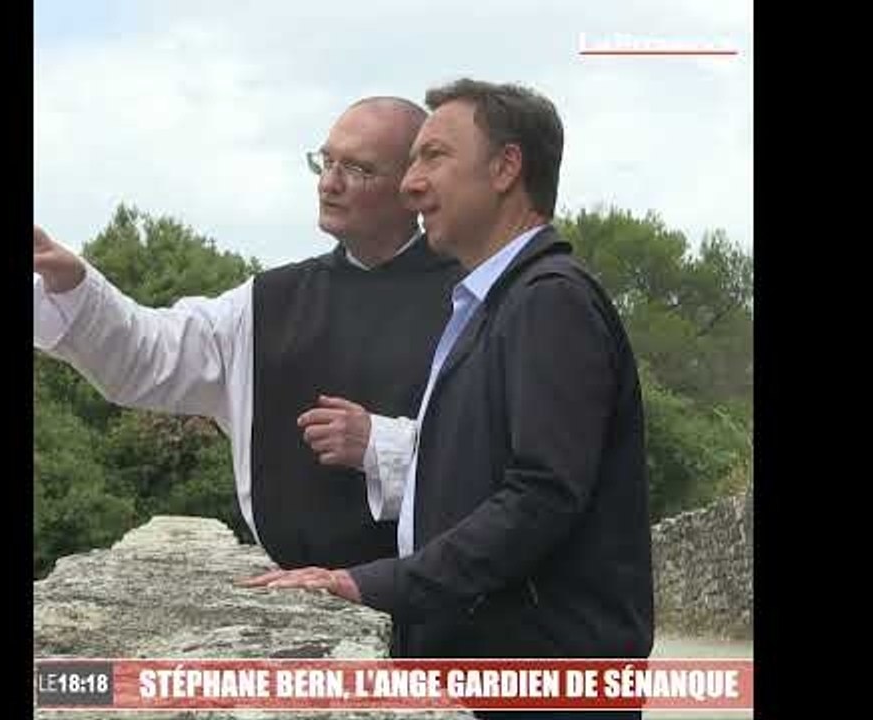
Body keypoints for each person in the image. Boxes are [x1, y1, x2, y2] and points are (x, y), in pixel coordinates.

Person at [244, 79, 654, 718]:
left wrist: (372, 582)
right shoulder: (496, 304)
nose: (411, 185)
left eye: (433, 157)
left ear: (505, 168)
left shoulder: (549, 301)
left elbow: (540, 496)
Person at [33, 96, 465, 570]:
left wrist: (379, 445)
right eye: (325, 162)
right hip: (296, 592)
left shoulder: (473, 300)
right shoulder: (269, 300)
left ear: (412, 185)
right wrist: (73, 284)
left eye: (357, 169)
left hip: (437, 596)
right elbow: (148, 358)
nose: (329, 183)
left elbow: (502, 464)